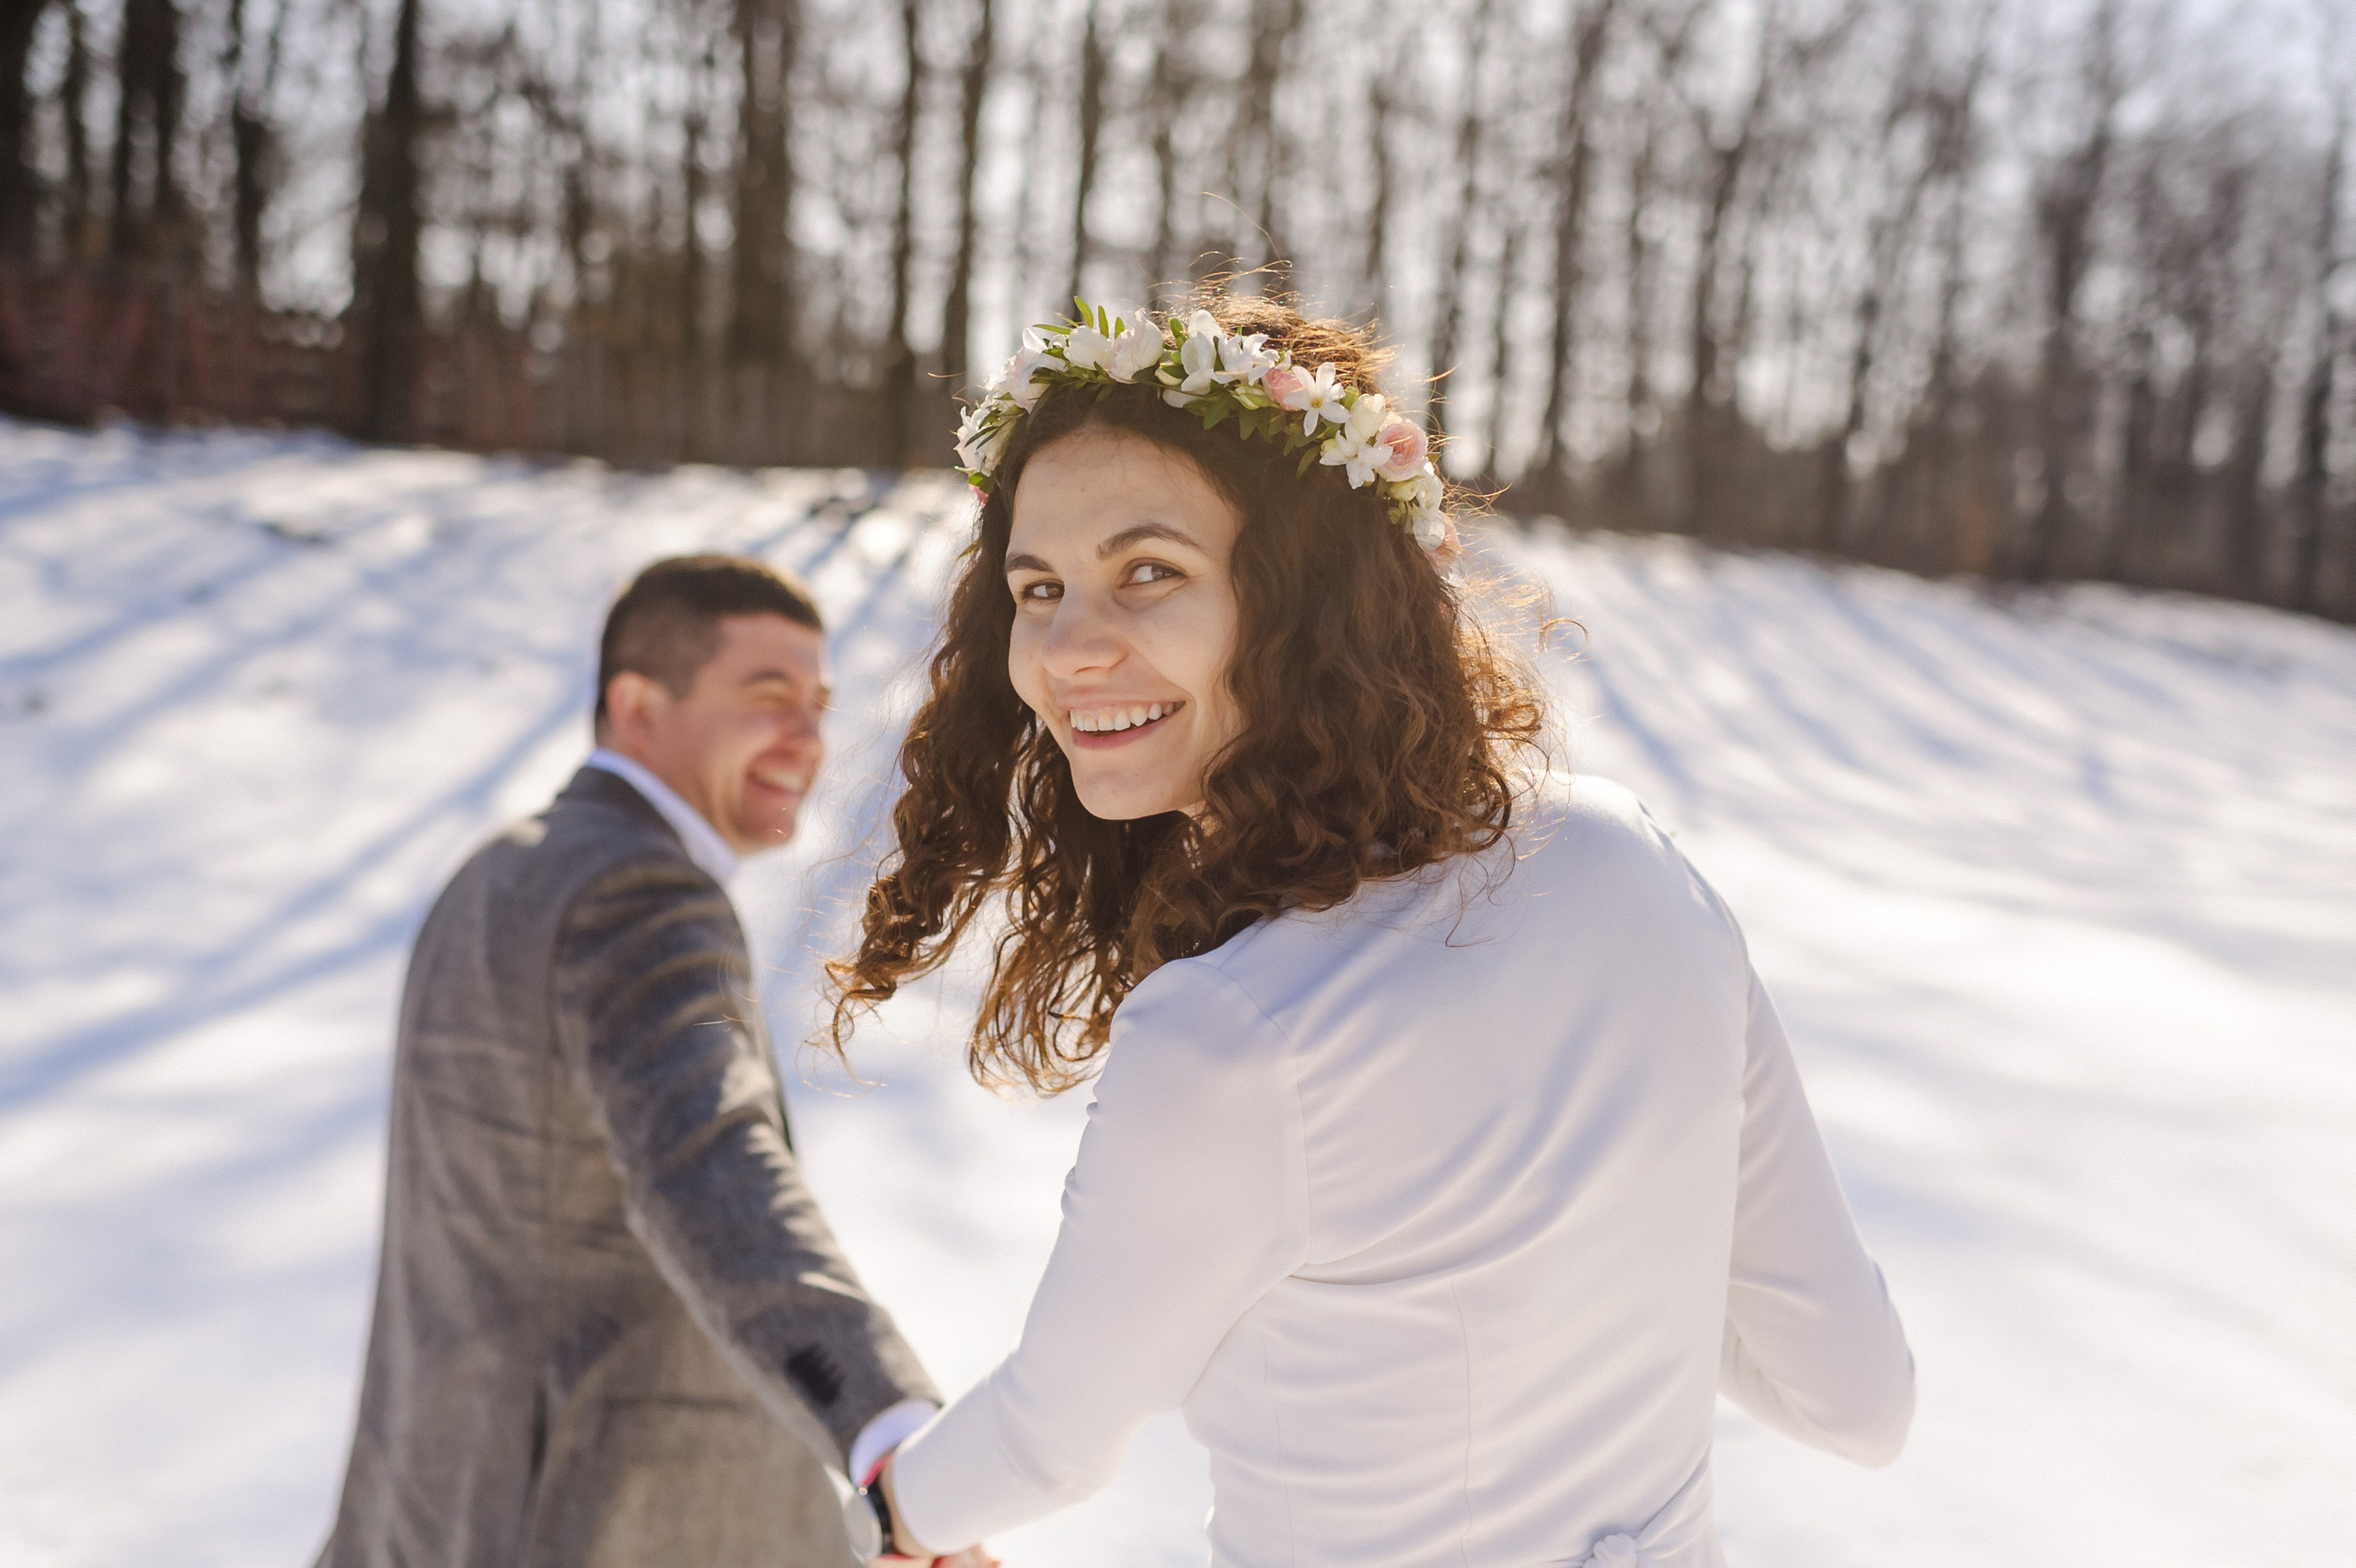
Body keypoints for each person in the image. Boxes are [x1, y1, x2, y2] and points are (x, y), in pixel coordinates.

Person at [824, 297, 1916, 1568]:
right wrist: (1593, 1262)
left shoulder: (1234, 1033)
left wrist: (887, 1517)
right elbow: (1860, 1400)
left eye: (1149, 572)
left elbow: (1049, 1438)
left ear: (1312, 597)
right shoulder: (1630, 861)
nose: (1067, 649)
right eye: (1038, 588)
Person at [317, 556, 965, 1568]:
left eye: (817, 704)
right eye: (767, 697)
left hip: (438, 1497)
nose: (806, 739)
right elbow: (710, 1163)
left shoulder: (499, 869)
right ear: (637, 707)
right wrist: (880, 1421)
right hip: (606, 1513)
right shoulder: (641, 895)